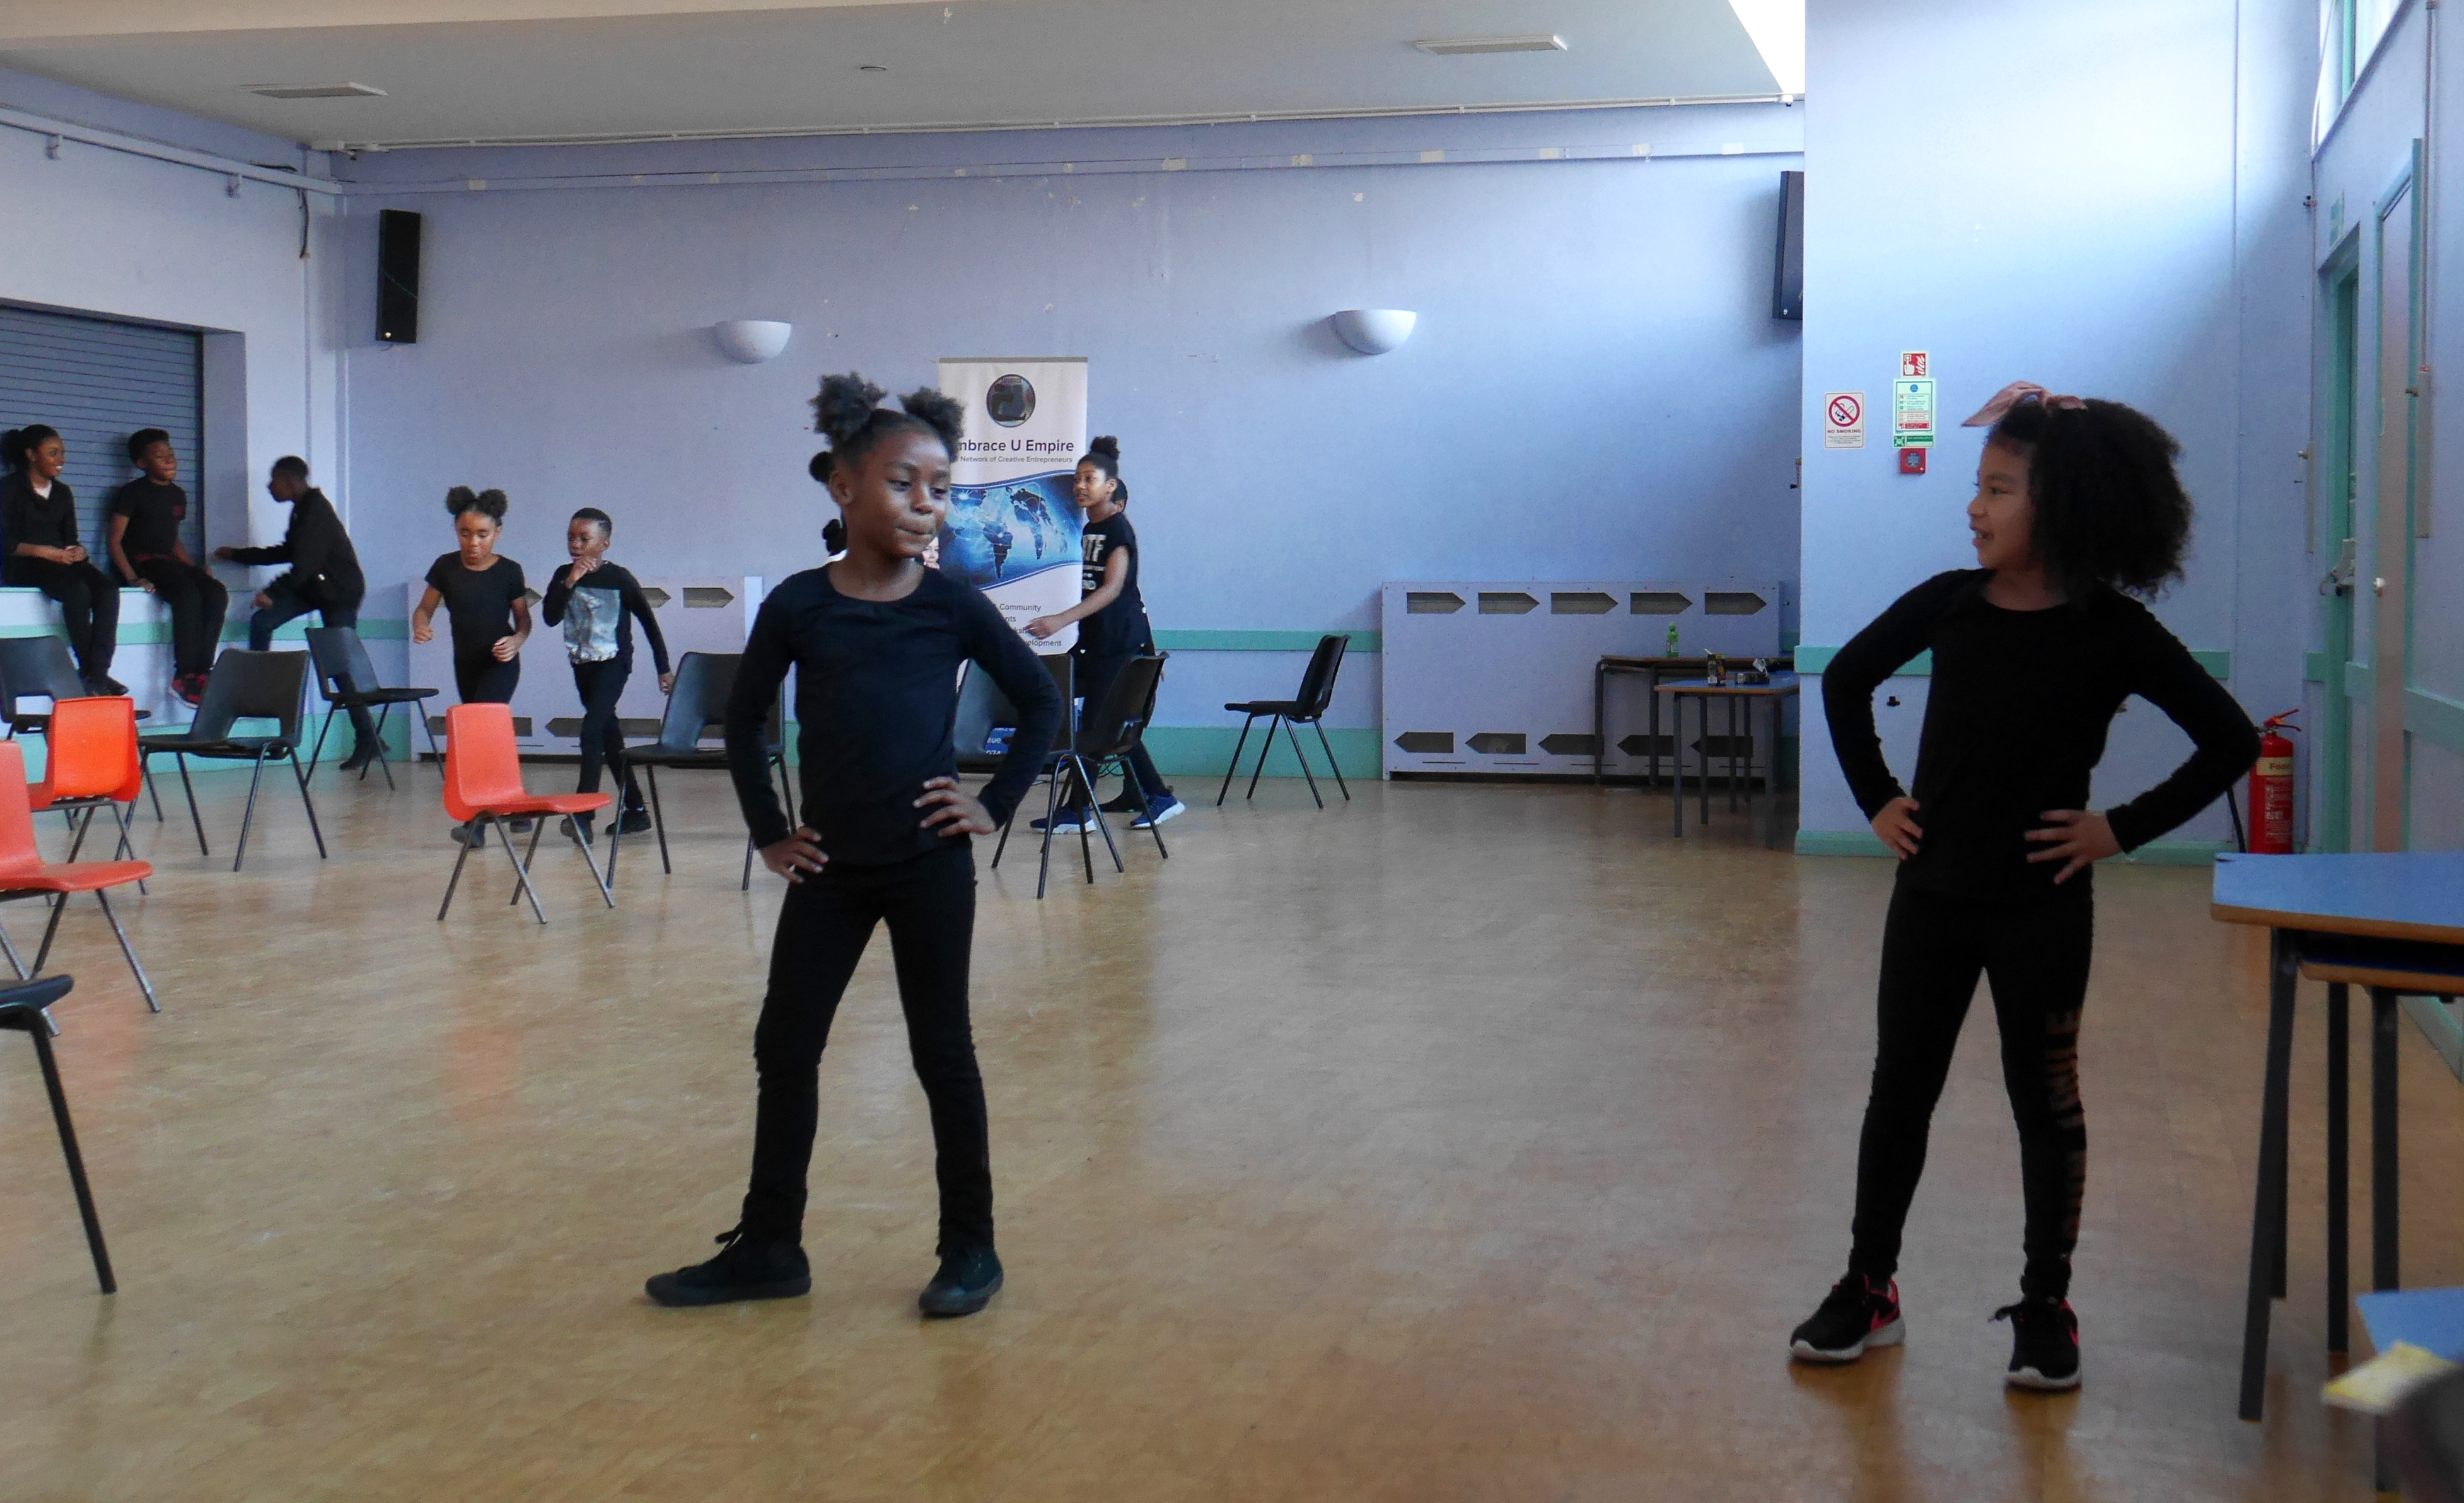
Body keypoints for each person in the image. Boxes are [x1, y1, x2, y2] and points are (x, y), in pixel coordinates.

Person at [1787, 382, 2260, 1392]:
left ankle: (2048, 1303)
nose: (1975, 507)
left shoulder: (2112, 631)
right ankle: (1870, 1286)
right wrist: (1877, 798)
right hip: (1932, 899)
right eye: (1979, 486)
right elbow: (1844, 678)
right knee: (1899, 1091)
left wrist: (2117, 829)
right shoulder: (1949, 603)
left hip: (2043, 909)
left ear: (2065, 504)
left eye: (1999, 489)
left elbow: (2231, 739)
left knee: (2045, 1104)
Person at [645, 373, 1061, 1317]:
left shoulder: (952, 604)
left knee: (942, 1052)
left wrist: (994, 802)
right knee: (785, 1047)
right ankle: (770, 1248)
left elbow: (1040, 700)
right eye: (902, 483)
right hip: (830, 869)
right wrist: (769, 833)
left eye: (939, 488)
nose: (924, 504)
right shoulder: (800, 604)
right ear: (843, 486)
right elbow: (744, 720)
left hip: (928, 865)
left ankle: (970, 1248)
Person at [1025, 435, 1182, 831]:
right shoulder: (1089, 529)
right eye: (1077, 479)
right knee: (1103, 723)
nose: (1080, 486)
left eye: (1089, 479)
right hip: (1096, 644)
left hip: (1118, 644)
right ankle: (1147, 794)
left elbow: (1115, 591)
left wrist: (1060, 620)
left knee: (1099, 725)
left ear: (1110, 487)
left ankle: (1081, 810)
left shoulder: (1117, 530)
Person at [216, 456, 378, 769]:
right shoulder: (302, 509)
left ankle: (368, 739)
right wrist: (239, 555)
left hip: (339, 593)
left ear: (290, 482)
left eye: (273, 481)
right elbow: (289, 552)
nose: (269, 487)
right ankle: (259, 687)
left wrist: (272, 593)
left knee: (339, 667)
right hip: (316, 587)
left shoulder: (316, 511)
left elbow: (304, 567)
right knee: (262, 622)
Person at [539, 508, 668, 840]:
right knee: (610, 738)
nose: (575, 544)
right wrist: (570, 582)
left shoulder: (619, 579)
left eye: (584, 539)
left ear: (604, 544)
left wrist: (663, 668)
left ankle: (583, 816)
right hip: (583, 665)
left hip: (615, 664)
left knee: (592, 730)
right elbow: (550, 617)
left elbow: (649, 622)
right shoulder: (563, 575)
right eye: (571, 538)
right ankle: (636, 811)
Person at [412, 487, 530, 844]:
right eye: (465, 533)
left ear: (498, 533)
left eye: (482, 534)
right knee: (484, 737)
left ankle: (476, 824)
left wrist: (516, 641)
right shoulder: (445, 567)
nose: (473, 543)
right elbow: (425, 608)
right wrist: (420, 625)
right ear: (456, 531)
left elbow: (523, 621)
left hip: (500, 662)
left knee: (480, 733)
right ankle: (516, 807)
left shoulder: (509, 571)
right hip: (465, 665)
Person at [110, 428, 230, 706]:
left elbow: (173, 539)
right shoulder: (132, 493)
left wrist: (193, 567)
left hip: (169, 563)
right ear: (142, 463)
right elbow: (114, 540)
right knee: (186, 595)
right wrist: (132, 579)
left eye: (171, 454)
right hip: (143, 562)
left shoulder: (177, 495)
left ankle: (203, 672)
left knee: (216, 592)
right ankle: (183, 676)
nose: (169, 460)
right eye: (159, 456)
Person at [1, 425, 123, 695]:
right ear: (31, 455)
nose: (60, 460)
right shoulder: (8, 489)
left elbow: (71, 538)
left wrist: (79, 551)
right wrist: (43, 551)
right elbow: (5, 543)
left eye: (62, 453)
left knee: (107, 590)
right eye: (52, 453)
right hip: (25, 563)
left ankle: (97, 673)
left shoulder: (63, 492)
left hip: (61, 560)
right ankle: (94, 674)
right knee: (77, 592)